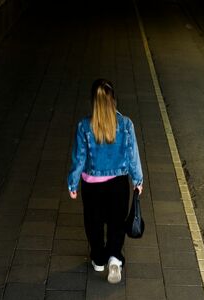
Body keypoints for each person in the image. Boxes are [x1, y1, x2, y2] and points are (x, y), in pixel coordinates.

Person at [67, 79, 143, 284]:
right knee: (117, 221)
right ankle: (115, 258)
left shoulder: (84, 126)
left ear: (93, 102)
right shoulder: (126, 124)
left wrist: (72, 183)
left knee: (94, 222)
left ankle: (98, 258)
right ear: (114, 101)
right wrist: (138, 180)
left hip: (92, 185)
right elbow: (132, 154)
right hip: (118, 184)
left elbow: (79, 157)